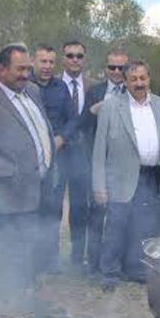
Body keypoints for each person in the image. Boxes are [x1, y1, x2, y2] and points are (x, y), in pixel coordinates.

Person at [0, 44, 55, 307]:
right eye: (20, 69)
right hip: (6, 192)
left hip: (38, 186)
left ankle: (27, 294)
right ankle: (4, 303)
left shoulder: (33, 91)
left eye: (28, 68)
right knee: (7, 251)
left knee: (32, 245)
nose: (26, 74)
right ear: (1, 68)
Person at [93, 61, 160, 290]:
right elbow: (99, 150)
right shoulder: (110, 107)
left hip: (152, 175)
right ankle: (109, 272)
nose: (139, 83)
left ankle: (136, 269)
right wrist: (99, 185)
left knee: (144, 227)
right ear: (125, 82)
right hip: (120, 177)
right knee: (116, 227)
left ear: (149, 79)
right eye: (134, 79)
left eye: (143, 78)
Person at [80, 47, 130, 273]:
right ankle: (93, 263)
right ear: (106, 69)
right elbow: (84, 124)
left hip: (125, 165)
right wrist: (95, 110)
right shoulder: (95, 91)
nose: (117, 72)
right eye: (113, 67)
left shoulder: (135, 91)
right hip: (99, 162)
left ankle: (117, 263)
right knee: (97, 215)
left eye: (122, 68)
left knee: (121, 217)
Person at [31, 44, 77, 274]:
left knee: (53, 208)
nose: (47, 66)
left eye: (51, 62)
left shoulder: (61, 88)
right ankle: (31, 260)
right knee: (31, 208)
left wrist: (61, 138)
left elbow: (73, 120)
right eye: (43, 61)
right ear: (33, 61)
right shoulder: (25, 86)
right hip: (29, 160)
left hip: (56, 158)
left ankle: (50, 259)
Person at [58, 40, 93, 270]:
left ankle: (77, 256)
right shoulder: (51, 85)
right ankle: (48, 257)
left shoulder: (94, 86)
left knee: (81, 208)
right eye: (70, 55)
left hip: (84, 156)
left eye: (79, 56)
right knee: (52, 206)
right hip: (58, 154)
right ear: (64, 58)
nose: (75, 60)